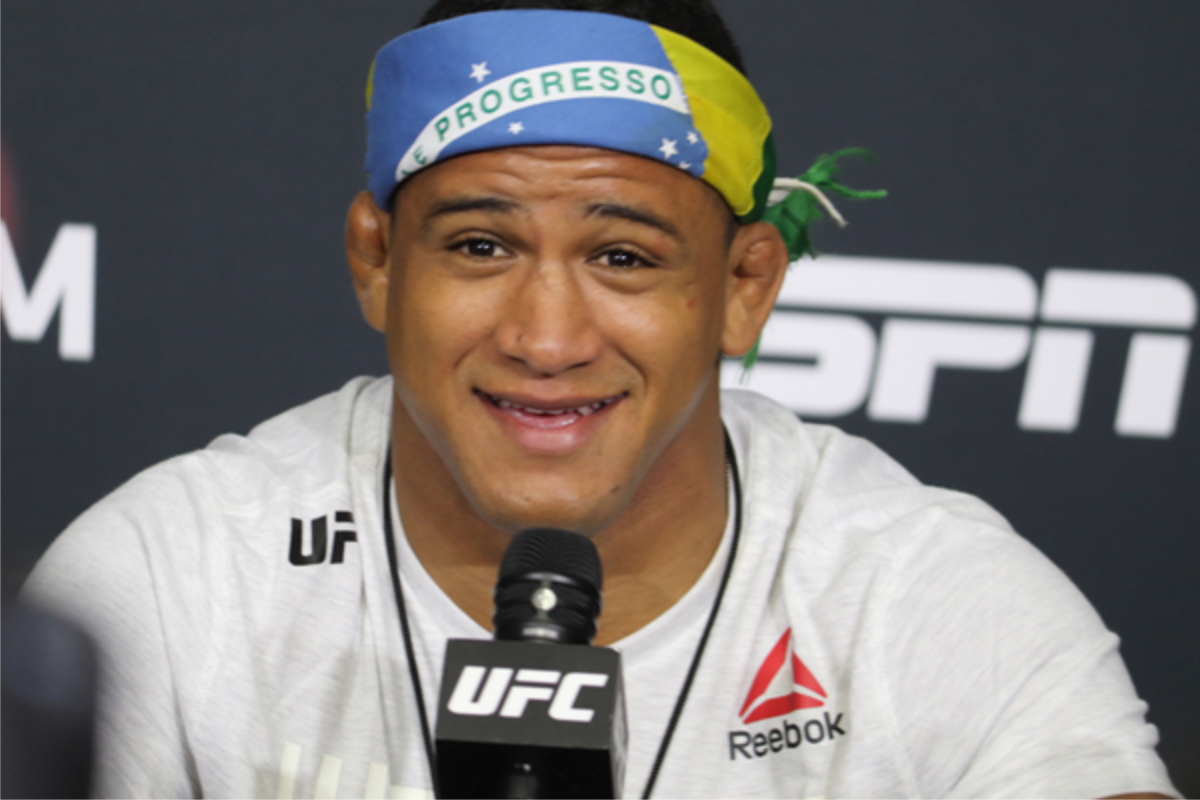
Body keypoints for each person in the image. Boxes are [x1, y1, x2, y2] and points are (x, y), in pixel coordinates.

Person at [22, 0, 1177, 797]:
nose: (546, 338)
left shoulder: (930, 598)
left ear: (744, 286)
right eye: (480, 245)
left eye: (623, 258)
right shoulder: (167, 579)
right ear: (377, 259)